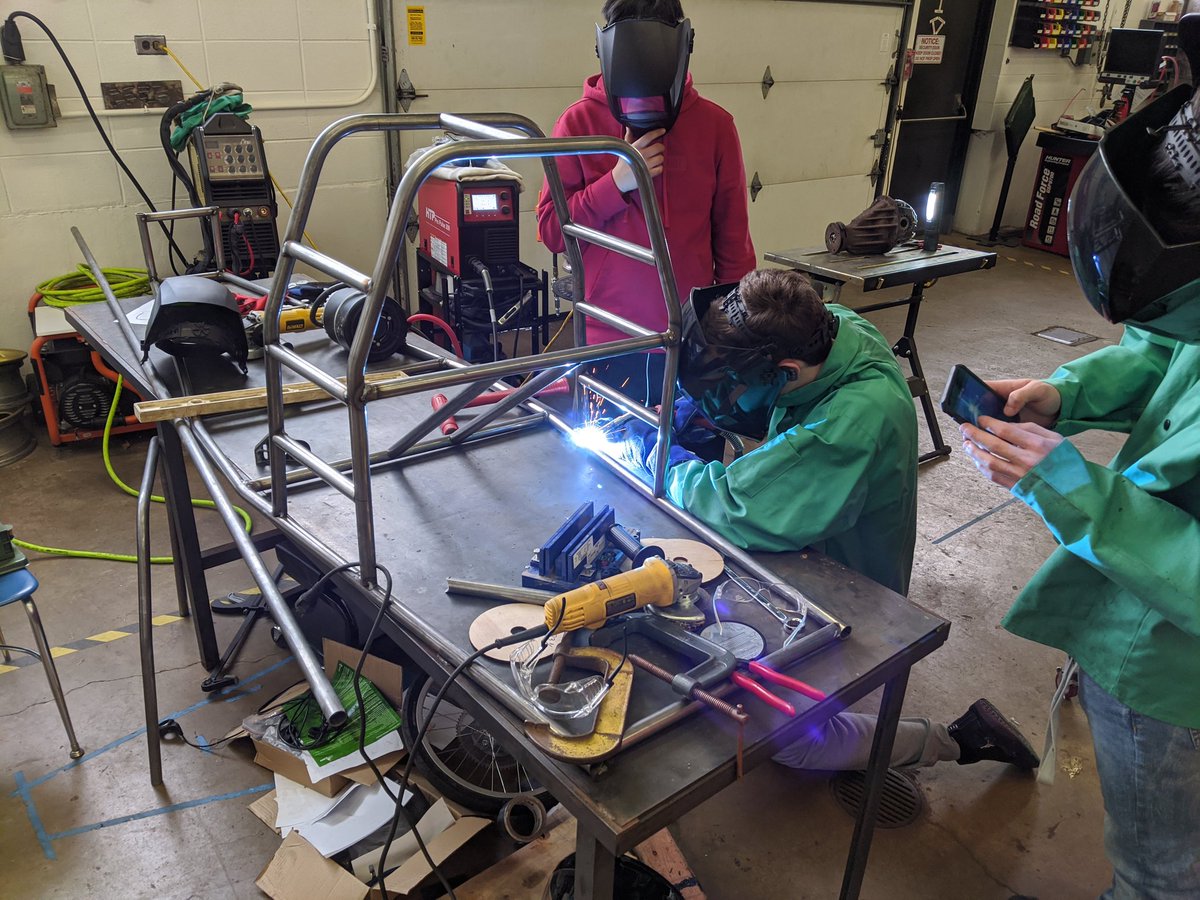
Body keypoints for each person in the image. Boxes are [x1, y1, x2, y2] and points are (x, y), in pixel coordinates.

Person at [621, 267, 1039, 772]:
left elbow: (731, 505)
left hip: (849, 590)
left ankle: (953, 741)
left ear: (788, 370)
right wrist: (698, 402)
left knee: (792, 739)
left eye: (737, 388)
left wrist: (664, 460)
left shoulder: (849, 422)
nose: (729, 401)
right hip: (813, 532)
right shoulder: (832, 326)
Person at [959, 21, 1200, 896]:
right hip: (1147, 632)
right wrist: (1072, 392)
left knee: (1159, 869)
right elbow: (1171, 350)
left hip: (1174, 668)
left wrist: (1069, 487)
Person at [535, 0, 756, 407]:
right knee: (610, 462)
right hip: (610, 338)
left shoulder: (714, 126)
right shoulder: (578, 123)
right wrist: (615, 184)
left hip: (692, 334)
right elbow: (551, 228)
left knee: (693, 459)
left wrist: (732, 330)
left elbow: (733, 239)